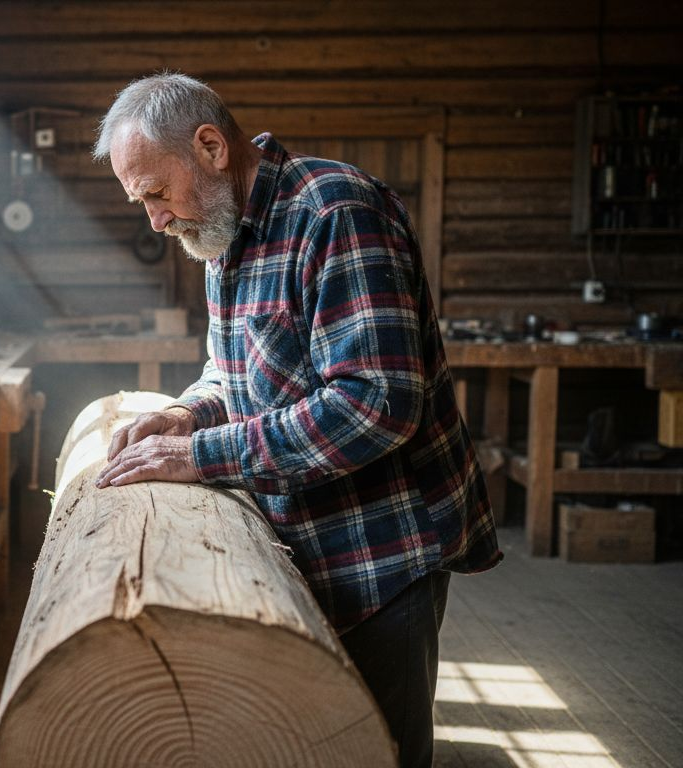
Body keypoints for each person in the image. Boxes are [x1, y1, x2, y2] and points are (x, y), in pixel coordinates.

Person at [92, 72, 501, 768]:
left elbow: (375, 405)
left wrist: (203, 454)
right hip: (304, 538)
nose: (156, 221)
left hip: (383, 549)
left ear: (212, 146)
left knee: (377, 750)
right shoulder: (219, 232)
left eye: (157, 194)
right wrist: (188, 416)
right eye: (143, 204)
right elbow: (236, 372)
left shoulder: (335, 213)